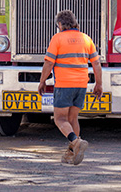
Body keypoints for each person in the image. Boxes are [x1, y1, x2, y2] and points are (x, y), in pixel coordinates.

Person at [38, 10, 103, 165]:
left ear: (60, 24)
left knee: (60, 119)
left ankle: (75, 141)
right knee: (73, 118)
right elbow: (96, 63)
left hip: (64, 84)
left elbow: (49, 62)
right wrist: (99, 84)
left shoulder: (58, 38)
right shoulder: (86, 39)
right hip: (81, 85)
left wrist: (42, 81)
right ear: (74, 22)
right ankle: (73, 153)